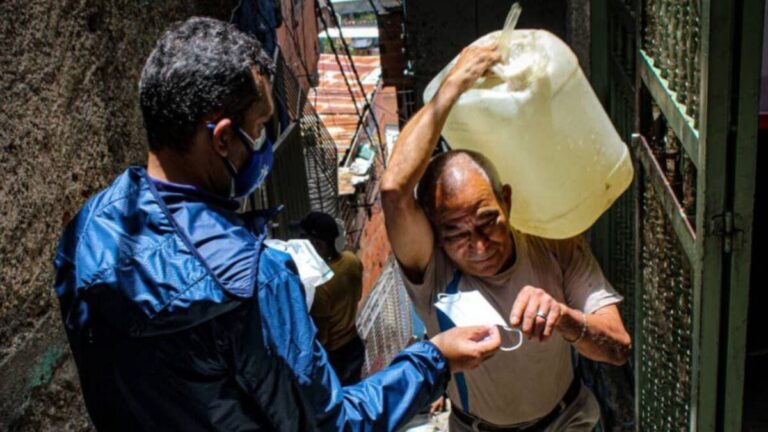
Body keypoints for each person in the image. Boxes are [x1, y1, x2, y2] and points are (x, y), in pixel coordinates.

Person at [53, 18, 502, 432]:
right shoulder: (253, 285)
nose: (267, 141)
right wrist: (433, 359)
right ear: (224, 138)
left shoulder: (87, 232)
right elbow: (328, 424)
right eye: (262, 126)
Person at [380, 42, 632, 431]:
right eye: (456, 233)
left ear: (508, 202)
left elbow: (618, 348)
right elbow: (395, 191)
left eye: (488, 221)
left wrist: (564, 318)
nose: (479, 245)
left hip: (567, 421)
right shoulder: (431, 268)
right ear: (435, 232)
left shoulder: (553, 244)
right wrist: (452, 87)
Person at [300, 212, 366, 385]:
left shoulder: (320, 284)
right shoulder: (352, 260)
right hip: (353, 346)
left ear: (317, 244)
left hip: (335, 358)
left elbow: (322, 337)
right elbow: (357, 296)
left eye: (304, 240)